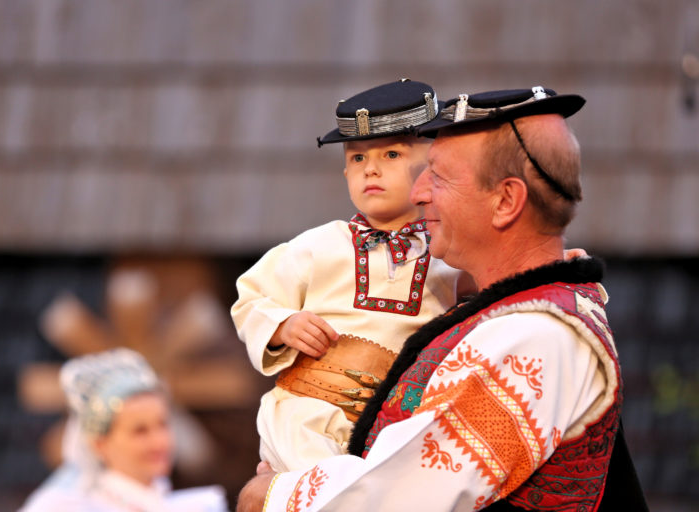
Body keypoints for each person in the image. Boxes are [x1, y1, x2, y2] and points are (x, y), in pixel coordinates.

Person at [237, 87, 646, 511]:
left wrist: (266, 496)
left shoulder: (532, 335)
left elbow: (400, 500)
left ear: (505, 201)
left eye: (439, 175)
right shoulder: (511, 316)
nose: (418, 193)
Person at [231, 79, 473, 472]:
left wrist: (550, 264)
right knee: (324, 487)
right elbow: (251, 297)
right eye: (358, 159)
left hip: (393, 424)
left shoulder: (449, 255)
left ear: (431, 168)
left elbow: (502, 283)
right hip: (309, 413)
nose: (371, 169)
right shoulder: (319, 246)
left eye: (391, 154)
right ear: (345, 172)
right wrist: (283, 325)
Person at [20, 348, 228, 512]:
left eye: (163, 425)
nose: (159, 441)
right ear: (100, 444)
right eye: (140, 431)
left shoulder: (196, 506)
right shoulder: (69, 508)